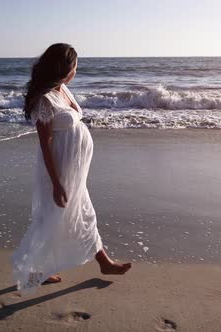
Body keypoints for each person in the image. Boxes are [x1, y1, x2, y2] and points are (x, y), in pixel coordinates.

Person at [11, 43, 131, 296]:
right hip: (59, 170)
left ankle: (101, 264)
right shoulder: (44, 99)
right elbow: (46, 143)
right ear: (65, 68)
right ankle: (34, 272)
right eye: (75, 65)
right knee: (53, 219)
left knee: (80, 213)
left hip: (74, 170)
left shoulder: (62, 89)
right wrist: (56, 184)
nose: (76, 70)